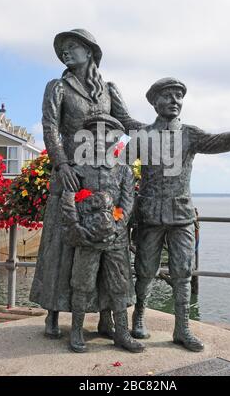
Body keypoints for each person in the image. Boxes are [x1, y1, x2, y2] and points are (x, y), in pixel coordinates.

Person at [132, 77, 230, 352]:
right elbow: (123, 169)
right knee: (145, 270)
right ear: (154, 101)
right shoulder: (143, 136)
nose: (175, 100)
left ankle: (182, 328)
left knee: (183, 272)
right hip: (148, 214)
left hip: (181, 215)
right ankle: (139, 316)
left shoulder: (189, 133)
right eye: (168, 95)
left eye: (179, 96)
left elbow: (216, 141)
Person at [29, 29, 141, 338]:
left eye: (72, 46)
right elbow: (50, 127)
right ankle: (52, 313)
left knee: (105, 237)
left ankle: (106, 316)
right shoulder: (58, 87)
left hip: (104, 173)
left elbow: (128, 123)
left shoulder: (109, 89)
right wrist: (62, 164)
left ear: (90, 51)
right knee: (60, 245)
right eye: (63, 49)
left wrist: (157, 127)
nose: (66, 52)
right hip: (71, 173)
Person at [60, 114, 144, 353]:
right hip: (86, 239)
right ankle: (76, 330)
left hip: (114, 240)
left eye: (106, 134)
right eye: (94, 133)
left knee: (119, 284)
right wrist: (77, 228)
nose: (99, 138)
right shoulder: (79, 169)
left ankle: (122, 332)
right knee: (82, 284)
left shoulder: (123, 171)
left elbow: (128, 203)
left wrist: (117, 229)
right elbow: (68, 200)